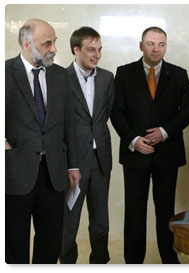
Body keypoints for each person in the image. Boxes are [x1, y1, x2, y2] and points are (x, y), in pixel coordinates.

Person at [110, 26, 189, 264]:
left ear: (166, 46)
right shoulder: (124, 73)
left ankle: (169, 260)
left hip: (167, 154)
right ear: (141, 46)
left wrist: (165, 132)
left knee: (165, 211)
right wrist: (134, 140)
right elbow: (117, 112)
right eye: (151, 44)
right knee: (134, 212)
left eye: (161, 44)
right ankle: (133, 262)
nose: (156, 49)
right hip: (136, 154)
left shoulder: (178, 74)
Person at [5, 18, 81, 264]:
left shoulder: (61, 76)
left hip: (54, 173)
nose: (54, 49)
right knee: (14, 241)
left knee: (50, 240)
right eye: (47, 43)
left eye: (54, 42)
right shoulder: (5, 73)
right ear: (27, 44)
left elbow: (70, 123)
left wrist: (73, 165)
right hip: (14, 172)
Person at [60, 26, 114, 264]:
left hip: (101, 160)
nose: (97, 55)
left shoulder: (107, 78)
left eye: (99, 49)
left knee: (101, 219)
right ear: (76, 50)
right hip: (73, 163)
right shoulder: (60, 78)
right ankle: (67, 264)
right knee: (68, 221)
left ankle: (100, 263)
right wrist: (69, 162)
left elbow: (105, 115)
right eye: (91, 49)